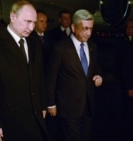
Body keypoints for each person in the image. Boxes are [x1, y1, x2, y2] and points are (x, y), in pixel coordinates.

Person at [0, 1, 51, 141]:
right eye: (27, 21)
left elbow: (39, 77)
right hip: (7, 123)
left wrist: (42, 105)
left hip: (35, 119)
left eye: (34, 22)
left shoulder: (34, 43)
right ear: (13, 17)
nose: (31, 27)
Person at [46, 9, 103, 141]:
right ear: (73, 27)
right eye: (84, 28)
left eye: (91, 29)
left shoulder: (93, 47)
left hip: (88, 107)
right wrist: (50, 104)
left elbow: (96, 69)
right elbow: (51, 78)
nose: (88, 33)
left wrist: (99, 76)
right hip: (68, 108)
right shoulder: (60, 48)